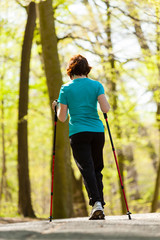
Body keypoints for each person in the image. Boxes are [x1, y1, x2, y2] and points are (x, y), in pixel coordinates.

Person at [52, 54, 110, 220]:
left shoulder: (66, 88)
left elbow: (62, 118)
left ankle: (97, 203)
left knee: (87, 168)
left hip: (78, 133)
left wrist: (56, 107)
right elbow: (105, 109)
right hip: (97, 132)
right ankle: (100, 204)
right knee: (97, 168)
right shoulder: (96, 85)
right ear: (87, 69)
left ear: (71, 71)